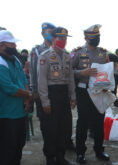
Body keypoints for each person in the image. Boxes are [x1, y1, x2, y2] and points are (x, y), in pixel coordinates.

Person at [71, 24, 110, 164]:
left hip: (99, 92)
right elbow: (68, 72)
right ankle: (80, 153)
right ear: (86, 38)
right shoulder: (78, 52)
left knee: (99, 122)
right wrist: (82, 72)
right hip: (83, 91)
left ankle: (99, 150)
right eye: (93, 37)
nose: (96, 39)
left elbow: (107, 72)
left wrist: (107, 85)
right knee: (83, 123)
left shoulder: (103, 53)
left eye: (98, 37)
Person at [37, 27, 76, 165]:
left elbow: (70, 77)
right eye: (60, 38)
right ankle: (50, 158)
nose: (63, 41)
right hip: (51, 94)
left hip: (64, 94)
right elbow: (41, 81)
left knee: (64, 128)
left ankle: (61, 156)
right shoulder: (45, 56)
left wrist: (73, 96)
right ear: (53, 39)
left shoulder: (66, 55)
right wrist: (45, 102)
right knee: (50, 129)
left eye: (65, 38)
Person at [0, 30, 32, 165]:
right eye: (11, 44)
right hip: (7, 113)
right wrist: (28, 94)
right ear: (1, 45)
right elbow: (9, 88)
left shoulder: (16, 61)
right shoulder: (1, 63)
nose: (14, 46)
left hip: (20, 110)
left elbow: (24, 79)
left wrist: (27, 97)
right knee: (8, 148)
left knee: (19, 144)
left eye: (14, 44)